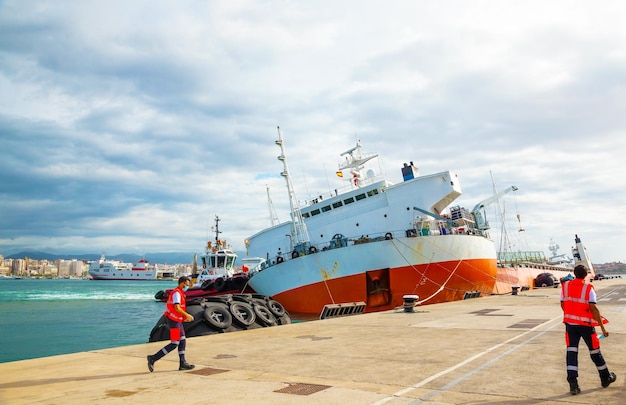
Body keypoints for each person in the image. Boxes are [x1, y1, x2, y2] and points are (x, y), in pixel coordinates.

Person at [560, 265, 616, 395]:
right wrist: (602, 327)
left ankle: (573, 384)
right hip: (586, 325)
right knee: (595, 351)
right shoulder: (588, 288)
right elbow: (594, 309)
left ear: (574, 274)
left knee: (571, 352)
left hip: (570, 325)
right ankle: (605, 377)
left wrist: (571, 316)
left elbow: (563, 304)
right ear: (586, 275)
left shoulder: (565, 286)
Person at [147, 276, 195, 372]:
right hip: (173, 321)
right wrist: (187, 315)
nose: (188, 285)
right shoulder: (177, 293)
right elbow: (177, 308)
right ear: (182, 283)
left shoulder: (180, 293)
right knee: (175, 343)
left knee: (182, 340)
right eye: (187, 283)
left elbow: (178, 309)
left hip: (177, 320)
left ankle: (182, 363)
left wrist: (184, 317)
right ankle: (153, 358)